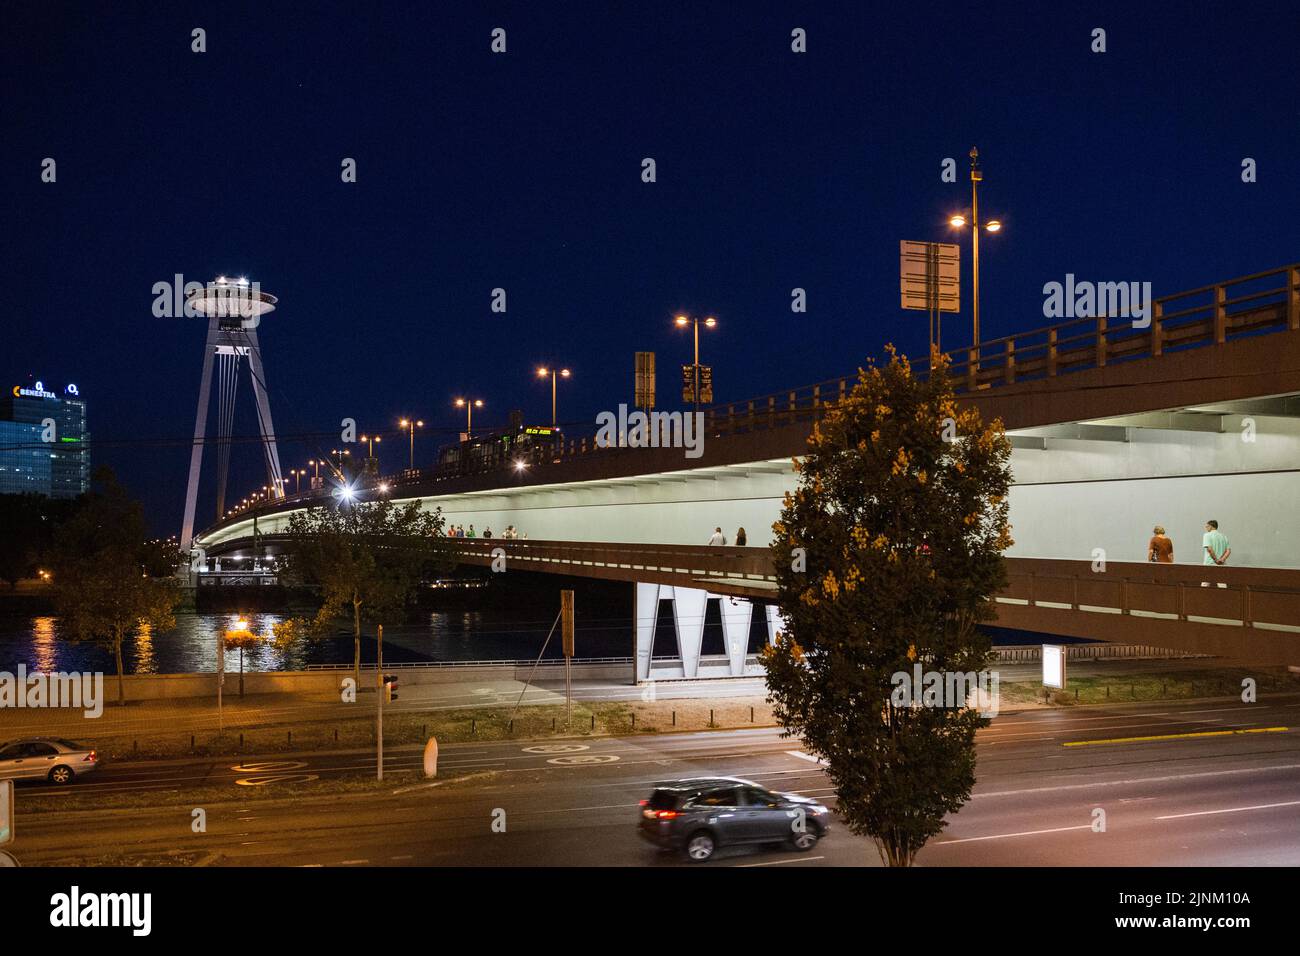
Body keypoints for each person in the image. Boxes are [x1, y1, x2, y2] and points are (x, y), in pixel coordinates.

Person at [1201, 519, 1230, 587]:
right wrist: (1222, 560)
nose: (1206, 528)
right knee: (1222, 585)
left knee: (1205, 585)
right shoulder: (1223, 536)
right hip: (1221, 565)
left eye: (1207, 526)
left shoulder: (1207, 535)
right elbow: (1228, 550)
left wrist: (1216, 560)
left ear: (1211, 526)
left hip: (1209, 564)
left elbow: (1209, 549)